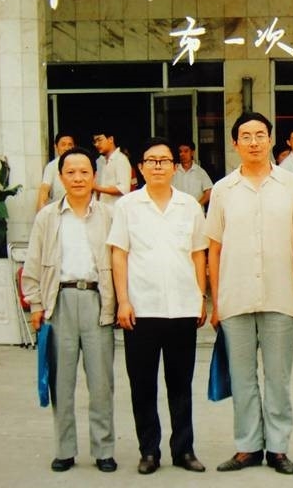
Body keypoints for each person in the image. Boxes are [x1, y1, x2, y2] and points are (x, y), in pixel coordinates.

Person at [206, 112, 293, 475]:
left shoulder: (292, 185)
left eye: (260, 135)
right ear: (235, 143)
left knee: (278, 378)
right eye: (246, 136)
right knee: (242, 377)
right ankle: (248, 447)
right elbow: (214, 247)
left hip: (281, 295)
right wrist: (215, 301)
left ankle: (278, 448)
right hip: (234, 296)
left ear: (271, 140)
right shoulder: (223, 190)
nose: (254, 142)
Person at [107, 137, 208, 475]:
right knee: (143, 385)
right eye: (151, 160)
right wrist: (123, 300)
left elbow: (198, 254)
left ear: (174, 167)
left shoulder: (189, 206)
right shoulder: (127, 206)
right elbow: (119, 254)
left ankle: (184, 450)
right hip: (141, 308)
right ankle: (149, 451)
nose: (158, 166)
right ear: (140, 167)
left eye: (164, 160)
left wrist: (200, 297)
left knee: (180, 385)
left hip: (182, 307)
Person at [22, 147, 117, 473]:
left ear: (94, 176)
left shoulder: (108, 215)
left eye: (84, 172)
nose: (78, 178)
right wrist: (36, 303)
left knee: (101, 382)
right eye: (71, 172)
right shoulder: (47, 217)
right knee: (61, 382)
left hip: (97, 302)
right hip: (58, 302)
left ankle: (104, 449)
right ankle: (65, 449)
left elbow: (121, 260)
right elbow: (33, 263)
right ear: (61, 177)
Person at [93, 128, 132, 207]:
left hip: (116, 209)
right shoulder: (99, 161)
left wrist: (97, 188)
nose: (96, 144)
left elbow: (123, 189)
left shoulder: (121, 159)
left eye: (99, 140)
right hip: (101, 209)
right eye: (95, 142)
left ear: (111, 139)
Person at [36, 132, 75, 211]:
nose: (67, 148)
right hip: (59, 210)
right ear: (56, 147)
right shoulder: (51, 166)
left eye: (70, 144)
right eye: (63, 145)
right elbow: (44, 190)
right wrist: (40, 213)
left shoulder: (81, 163)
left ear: (74, 146)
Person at [171, 141, 213, 207]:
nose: (182, 154)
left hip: (195, 211)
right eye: (180, 151)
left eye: (186, 151)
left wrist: (197, 206)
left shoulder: (200, 172)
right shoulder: (173, 171)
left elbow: (209, 192)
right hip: (177, 210)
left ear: (192, 153)